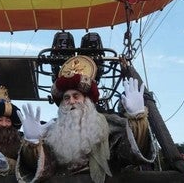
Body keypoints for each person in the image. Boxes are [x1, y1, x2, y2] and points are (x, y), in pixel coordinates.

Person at [16, 55, 156, 183]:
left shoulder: (109, 127)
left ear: (87, 101)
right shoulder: (51, 132)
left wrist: (138, 120)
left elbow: (129, 155)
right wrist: (33, 144)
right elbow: (41, 169)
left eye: (76, 96)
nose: (71, 101)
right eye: (66, 98)